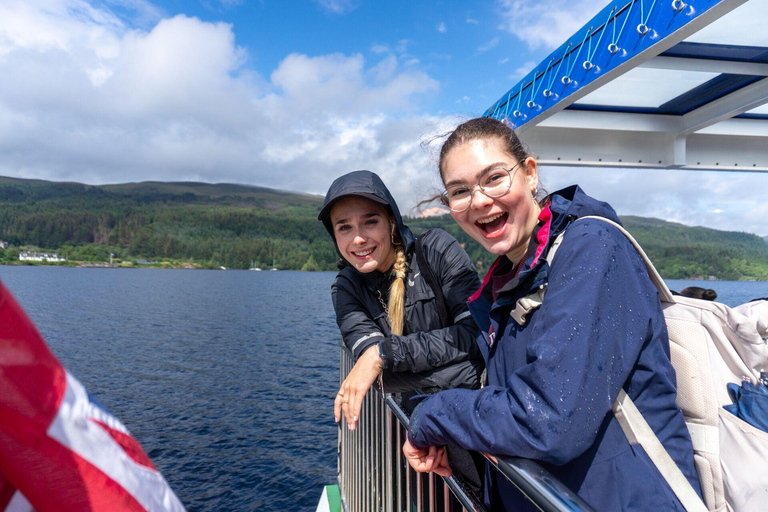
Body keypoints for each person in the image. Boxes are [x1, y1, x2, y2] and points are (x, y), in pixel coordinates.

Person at [402, 118, 701, 511]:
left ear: (529, 173)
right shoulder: (510, 280)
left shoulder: (591, 248)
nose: (478, 201)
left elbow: (547, 419)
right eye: (460, 191)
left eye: (494, 178)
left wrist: (434, 414)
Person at [318, 170, 484, 434]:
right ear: (335, 238)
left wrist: (384, 353)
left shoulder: (435, 251)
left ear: (392, 222)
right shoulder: (346, 288)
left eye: (370, 222)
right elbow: (380, 377)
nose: (358, 238)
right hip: (416, 424)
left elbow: (476, 334)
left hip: (478, 411)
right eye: (344, 227)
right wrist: (459, 367)